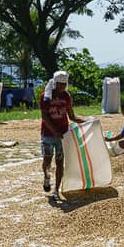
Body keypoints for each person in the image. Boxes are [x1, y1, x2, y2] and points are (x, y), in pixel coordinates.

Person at [39, 70, 85, 202]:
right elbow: (45, 117)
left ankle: (56, 190)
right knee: (47, 160)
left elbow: (72, 116)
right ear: (54, 83)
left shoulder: (66, 96)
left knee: (60, 162)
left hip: (63, 135)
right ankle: (47, 177)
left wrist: (87, 121)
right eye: (59, 84)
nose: (62, 87)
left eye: (64, 85)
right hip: (48, 134)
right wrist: (54, 131)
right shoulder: (45, 97)